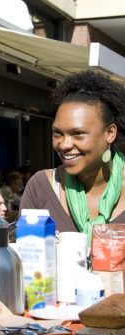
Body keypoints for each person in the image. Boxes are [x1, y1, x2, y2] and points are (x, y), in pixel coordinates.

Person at [19, 70, 125, 247]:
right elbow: (26, 260)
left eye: (78, 134)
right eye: (57, 133)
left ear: (110, 133)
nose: (65, 144)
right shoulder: (40, 187)